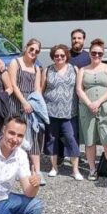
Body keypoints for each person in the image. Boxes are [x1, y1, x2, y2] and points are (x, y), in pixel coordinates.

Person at [76, 38, 107, 182]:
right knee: (90, 140)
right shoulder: (83, 70)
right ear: (89, 53)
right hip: (87, 107)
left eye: (99, 54)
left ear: (103, 54)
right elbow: (79, 89)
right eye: (94, 53)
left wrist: (98, 102)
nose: (96, 56)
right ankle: (92, 169)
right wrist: (89, 103)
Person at [41, 44, 81, 180]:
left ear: (66, 56)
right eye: (56, 55)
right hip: (51, 111)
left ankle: (75, 170)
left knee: (71, 138)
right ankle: (54, 167)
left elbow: (79, 89)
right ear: (53, 56)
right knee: (52, 139)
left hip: (69, 112)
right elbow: (41, 89)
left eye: (62, 55)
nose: (59, 57)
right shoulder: (47, 70)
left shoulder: (74, 69)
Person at [7, 38, 45, 183]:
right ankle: (14, 168)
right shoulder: (15, 63)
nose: (33, 53)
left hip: (31, 105)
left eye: (36, 51)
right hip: (17, 103)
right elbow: (14, 85)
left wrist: (35, 104)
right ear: (26, 48)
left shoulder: (36, 68)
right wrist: (23, 102)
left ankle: (36, 170)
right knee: (16, 135)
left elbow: (37, 89)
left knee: (34, 136)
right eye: (31, 49)